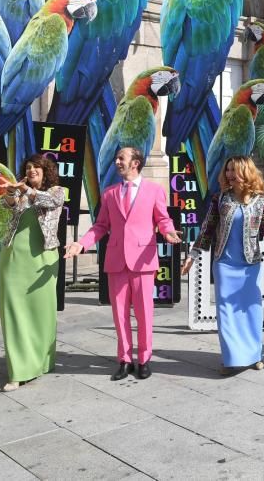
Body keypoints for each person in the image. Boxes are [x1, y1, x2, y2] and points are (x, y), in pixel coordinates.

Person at [64, 147, 181, 380]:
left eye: (121, 158)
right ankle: (124, 360)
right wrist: (81, 244)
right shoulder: (109, 193)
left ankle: (144, 359)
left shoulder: (154, 190)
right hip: (116, 261)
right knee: (119, 314)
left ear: (135, 163)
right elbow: (100, 226)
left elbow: (163, 218)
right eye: (116, 158)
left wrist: (168, 233)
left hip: (142, 261)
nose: (117, 161)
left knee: (144, 313)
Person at [182, 157, 264, 375]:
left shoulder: (262, 202)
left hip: (249, 266)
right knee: (226, 312)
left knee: (250, 310)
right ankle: (232, 359)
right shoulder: (220, 199)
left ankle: (254, 355)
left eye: (234, 170)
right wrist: (193, 255)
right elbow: (207, 229)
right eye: (227, 170)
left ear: (246, 172)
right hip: (224, 264)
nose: (229, 174)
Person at [0, 154, 66, 392]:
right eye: (28, 167)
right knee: (14, 311)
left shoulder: (57, 190)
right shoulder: (20, 192)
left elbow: (50, 202)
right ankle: (18, 370)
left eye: (37, 166)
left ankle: (42, 360)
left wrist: (27, 190)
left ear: (46, 171)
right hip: (14, 257)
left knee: (42, 312)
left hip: (43, 258)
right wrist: (10, 192)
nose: (32, 169)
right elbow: (5, 206)